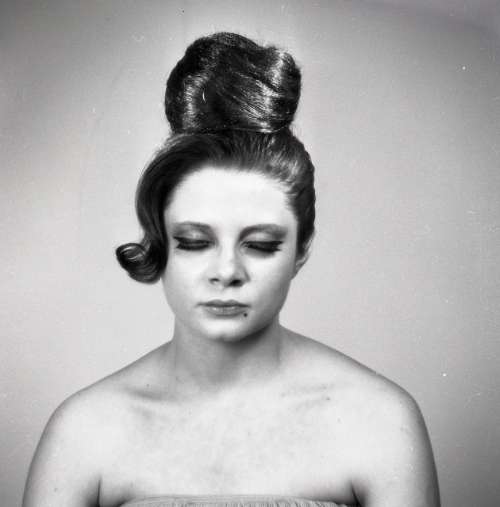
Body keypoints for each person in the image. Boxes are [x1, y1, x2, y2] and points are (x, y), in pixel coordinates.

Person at [23, 32, 440, 507]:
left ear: (301, 250)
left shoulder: (380, 424)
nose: (226, 271)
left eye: (260, 245)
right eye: (195, 242)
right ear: (160, 243)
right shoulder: (83, 433)